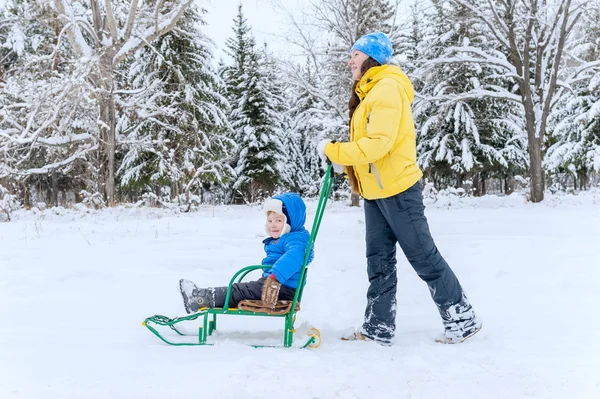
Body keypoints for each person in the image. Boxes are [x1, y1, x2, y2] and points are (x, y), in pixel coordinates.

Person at [317, 32, 481, 345]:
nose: (349, 60)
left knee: (422, 256)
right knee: (378, 261)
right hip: (375, 192)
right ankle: (378, 328)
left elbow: (377, 144)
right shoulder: (371, 91)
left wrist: (334, 151)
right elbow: (368, 144)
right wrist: (344, 158)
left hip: (398, 191)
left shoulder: (387, 89)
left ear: (370, 57)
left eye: (355, 54)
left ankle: (462, 318)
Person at [179, 192, 313, 313]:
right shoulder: (290, 238)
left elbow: (294, 257)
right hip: (275, 285)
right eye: (270, 220)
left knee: (239, 291)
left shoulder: (297, 240)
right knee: (241, 291)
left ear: (292, 221)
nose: (273, 225)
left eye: (279, 220)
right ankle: (202, 297)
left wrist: (274, 279)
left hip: (281, 289)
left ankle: (200, 298)